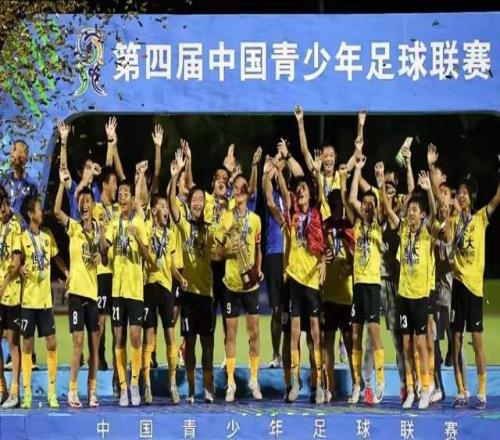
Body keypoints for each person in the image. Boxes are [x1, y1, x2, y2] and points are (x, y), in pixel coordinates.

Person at [378, 164, 438, 409]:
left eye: (415, 210)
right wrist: (380, 183)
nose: (411, 213)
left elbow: (435, 212)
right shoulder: (403, 230)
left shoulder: (427, 232)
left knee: (421, 343)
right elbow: (387, 208)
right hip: (403, 295)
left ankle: (426, 387)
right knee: (406, 345)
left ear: (422, 215)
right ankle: (411, 390)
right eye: (409, 209)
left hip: (420, 296)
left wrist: (429, 190)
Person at [446, 165, 500, 410]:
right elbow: (448, 240)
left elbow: (497, 198)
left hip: (475, 289)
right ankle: (461, 390)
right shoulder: (453, 220)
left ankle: (482, 389)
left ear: (472, 197)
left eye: (465, 193)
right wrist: (451, 214)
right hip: (457, 286)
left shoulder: (480, 218)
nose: (461, 196)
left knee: (477, 340)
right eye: (459, 193)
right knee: (456, 340)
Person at [169, 150, 216, 403]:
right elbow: (171, 204)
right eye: (194, 199)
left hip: (206, 295)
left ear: (205, 204)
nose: (197, 202)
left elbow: (218, 251)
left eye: (201, 199)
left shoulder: (209, 229)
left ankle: (208, 388)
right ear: (189, 203)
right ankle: (190, 389)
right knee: (189, 343)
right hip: (188, 296)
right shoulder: (184, 226)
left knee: (207, 345)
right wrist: (175, 175)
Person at [53, 172, 102, 408]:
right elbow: (56, 211)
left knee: (94, 346)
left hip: (93, 294)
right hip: (76, 294)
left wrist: (101, 254)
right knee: (78, 343)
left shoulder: (99, 229)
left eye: (87, 202)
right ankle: (72, 391)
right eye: (81, 202)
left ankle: (92, 391)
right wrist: (62, 184)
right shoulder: (73, 227)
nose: (84, 205)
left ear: (93, 206)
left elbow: (105, 254)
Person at [214, 173, 263, 403]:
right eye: (236, 187)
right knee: (231, 335)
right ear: (233, 191)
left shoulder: (255, 220)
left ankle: (254, 379)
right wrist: (227, 252)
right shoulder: (226, 218)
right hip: (231, 284)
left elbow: (258, 248)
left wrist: (259, 269)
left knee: (254, 333)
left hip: (250, 286)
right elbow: (215, 252)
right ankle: (231, 382)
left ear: (248, 192)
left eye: (243, 187)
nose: (239, 190)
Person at [101, 179, 149, 407]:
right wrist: (102, 233)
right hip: (117, 290)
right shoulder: (113, 224)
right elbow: (104, 253)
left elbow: (148, 257)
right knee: (118, 337)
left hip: (135, 290)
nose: (121, 196)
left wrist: (137, 237)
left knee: (135, 337)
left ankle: (135, 384)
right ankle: (122, 387)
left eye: (126, 193)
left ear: (132, 199)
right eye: (119, 193)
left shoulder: (140, 222)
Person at [19, 195, 69, 409]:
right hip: (28, 301)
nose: (42, 212)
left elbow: (56, 257)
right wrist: (20, 268)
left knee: (52, 343)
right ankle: (27, 393)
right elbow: (16, 261)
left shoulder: (47, 236)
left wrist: (66, 272)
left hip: (46, 301)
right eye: (39, 209)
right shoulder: (22, 238)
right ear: (31, 214)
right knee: (27, 345)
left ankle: (51, 391)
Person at [347, 154, 385, 405]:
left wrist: (379, 186)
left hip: (372, 284)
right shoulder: (358, 224)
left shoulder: (378, 224)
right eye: (366, 203)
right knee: (355, 335)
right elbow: (352, 199)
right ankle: (357, 385)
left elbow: (383, 209)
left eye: (372, 203)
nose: (367, 206)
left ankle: (380, 381)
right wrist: (358, 170)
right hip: (358, 284)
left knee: (373, 333)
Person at [142, 194, 184, 405]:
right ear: (153, 210)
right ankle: (147, 386)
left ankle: (173, 383)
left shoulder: (172, 235)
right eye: (162, 207)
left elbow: (172, 265)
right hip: (149, 286)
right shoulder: (147, 229)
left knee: (170, 336)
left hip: (167, 288)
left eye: (167, 207)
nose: (166, 211)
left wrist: (181, 279)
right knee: (149, 338)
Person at [321, 166, 356, 403]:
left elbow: (358, 257)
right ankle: (330, 387)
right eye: (333, 205)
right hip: (327, 294)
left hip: (346, 295)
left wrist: (349, 267)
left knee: (350, 342)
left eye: (339, 206)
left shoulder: (349, 227)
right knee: (328, 343)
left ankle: (356, 385)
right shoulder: (323, 226)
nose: (336, 209)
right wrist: (322, 259)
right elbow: (316, 253)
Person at [0, 186, 22, 408]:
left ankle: (15, 391)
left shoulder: (14, 226)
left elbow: (16, 262)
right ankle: (2, 390)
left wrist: (4, 284)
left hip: (12, 294)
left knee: (13, 342)